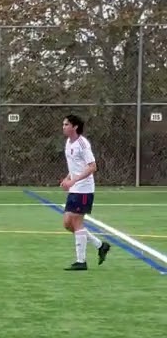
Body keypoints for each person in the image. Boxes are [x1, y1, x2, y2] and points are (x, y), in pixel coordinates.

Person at [60, 114, 112, 271]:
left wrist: (74, 181)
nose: (63, 127)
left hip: (84, 189)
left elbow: (92, 166)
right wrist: (67, 178)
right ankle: (100, 245)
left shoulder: (83, 144)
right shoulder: (68, 143)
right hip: (75, 188)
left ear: (75, 127)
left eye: (66, 124)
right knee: (68, 224)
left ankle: (81, 261)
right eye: (63, 124)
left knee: (76, 223)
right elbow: (75, 166)